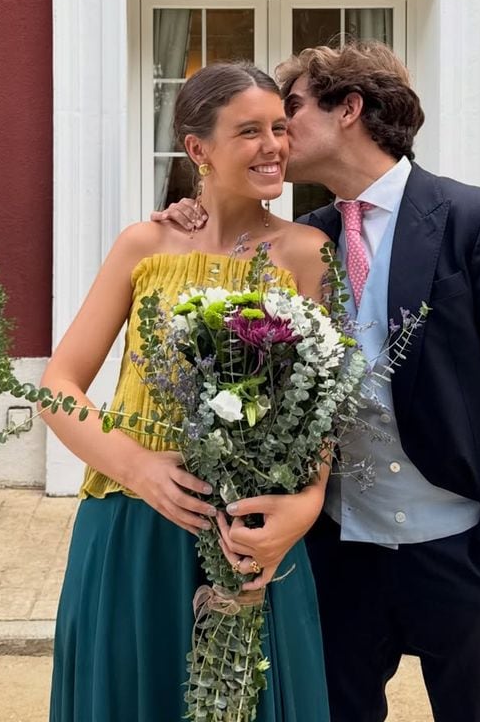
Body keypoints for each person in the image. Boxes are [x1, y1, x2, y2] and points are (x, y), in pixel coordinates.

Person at [156, 42, 480, 722]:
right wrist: (192, 216)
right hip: (337, 549)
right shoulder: (300, 241)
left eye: (291, 112)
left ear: (349, 109)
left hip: (464, 544)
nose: (277, 133)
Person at [42, 62, 332, 722]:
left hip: (252, 533)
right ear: (198, 149)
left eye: (280, 128)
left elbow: (322, 406)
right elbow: (58, 386)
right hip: (133, 526)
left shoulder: (307, 252)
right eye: (249, 131)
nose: (274, 147)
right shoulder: (143, 245)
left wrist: (307, 503)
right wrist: (137, 466)